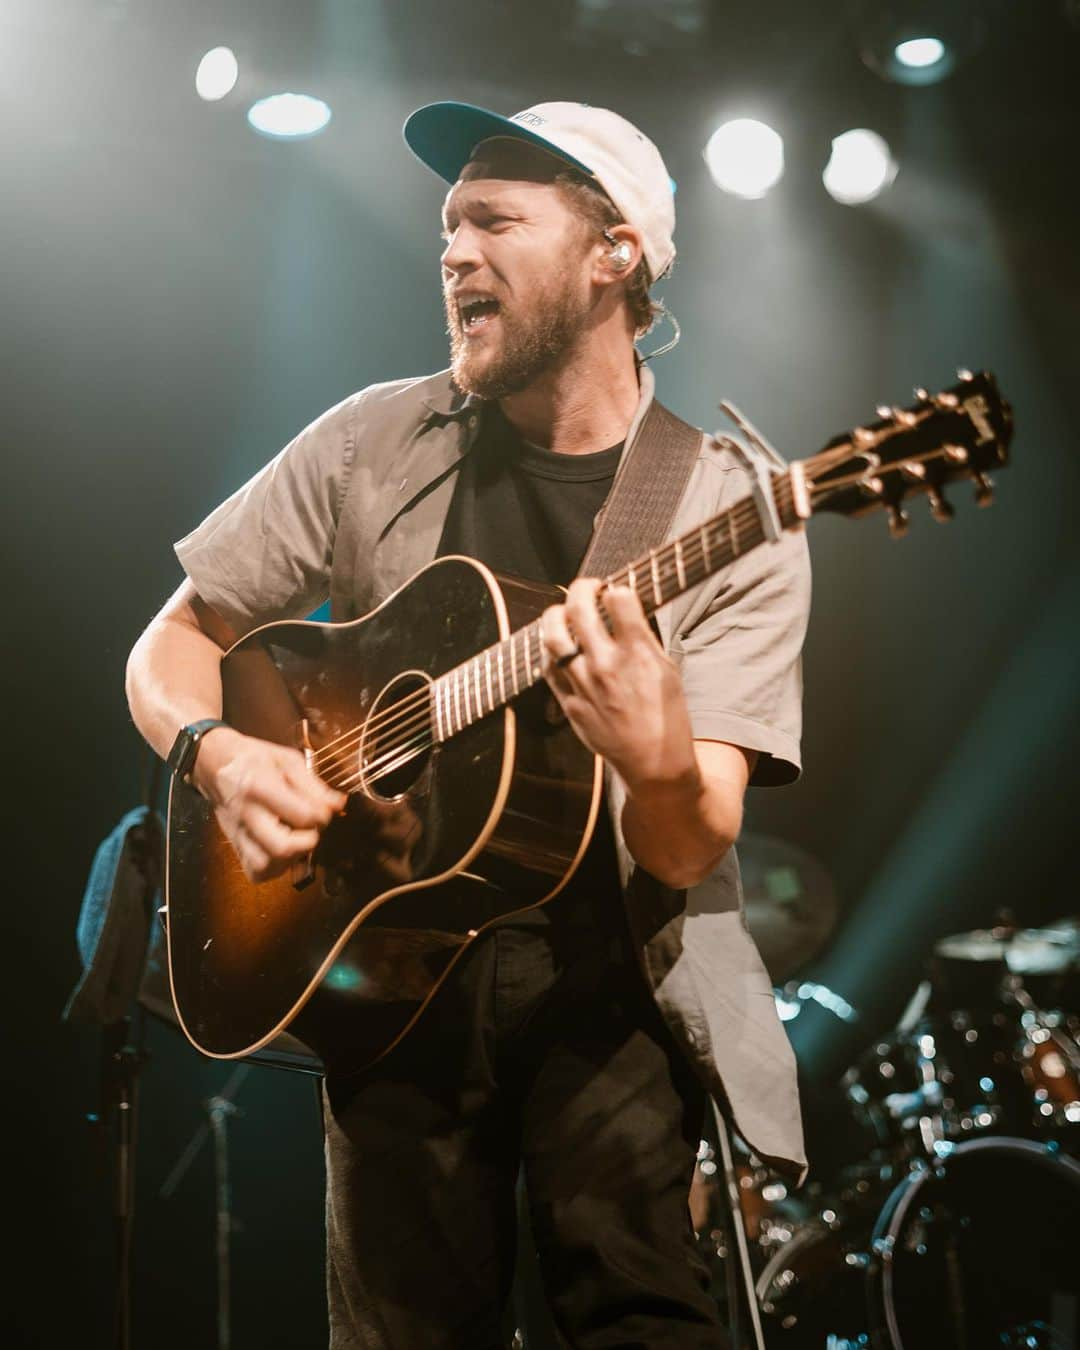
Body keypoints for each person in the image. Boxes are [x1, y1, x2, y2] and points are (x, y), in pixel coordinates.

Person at [126, 100, 811, 1349]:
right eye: (448, 227)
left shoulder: (724, 507)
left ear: (615, 254)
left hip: (616, 1004)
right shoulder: (371, 438)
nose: (452, 252)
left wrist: (656, 757)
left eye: (494, 220)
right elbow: (168, 643)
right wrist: (218, 755)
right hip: (390, 985)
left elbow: (682, 848)